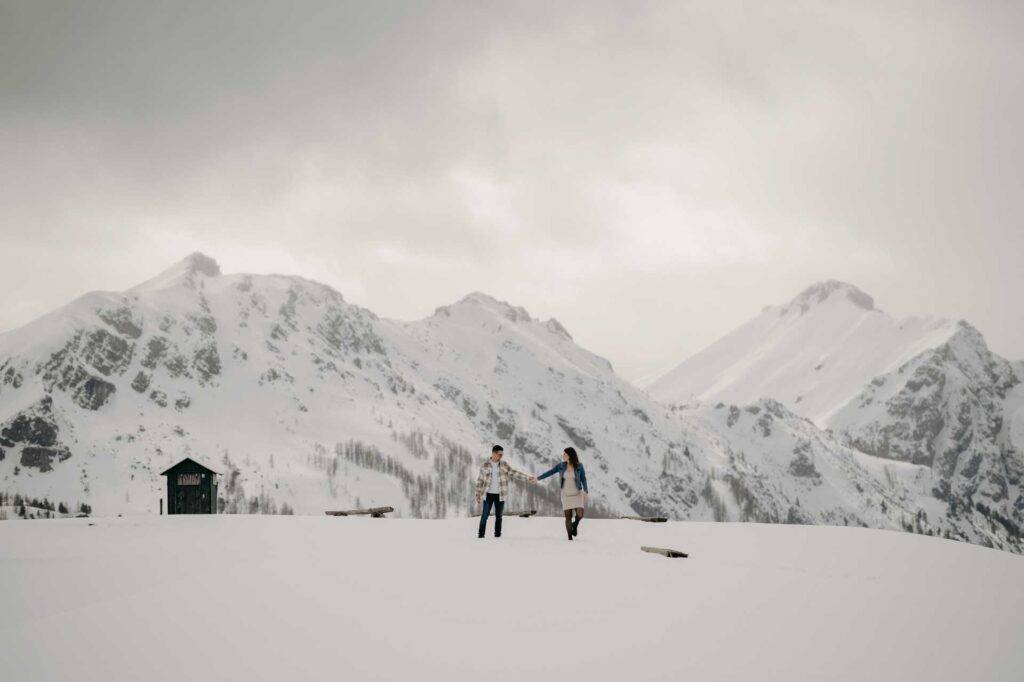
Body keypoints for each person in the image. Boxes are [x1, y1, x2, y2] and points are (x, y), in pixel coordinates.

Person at [474, 444, 530, 539]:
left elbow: (514, 473)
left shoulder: (504, 464)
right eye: (500, 454)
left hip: (500, 495)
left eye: (502, 454)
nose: (501, 456)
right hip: (488, 495)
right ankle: (481, 535)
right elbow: (480, 480)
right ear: (494, 453)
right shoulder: (485, 465)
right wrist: (477, 494)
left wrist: (527, 477)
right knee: (484, 516)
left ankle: (497, 536)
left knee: (499, 516)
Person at [534, 447, 588, 541]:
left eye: (564, 454)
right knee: (568, 516)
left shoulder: (579, 466)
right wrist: (538, 478)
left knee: (580, 514)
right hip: (566, 494)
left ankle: (575, 525)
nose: (563, 455)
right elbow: (550, 472)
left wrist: (585, 491)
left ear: (569, 455)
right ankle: (569, 538)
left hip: (577, 493)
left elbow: (583, 478)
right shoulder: (561, 466)